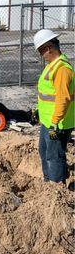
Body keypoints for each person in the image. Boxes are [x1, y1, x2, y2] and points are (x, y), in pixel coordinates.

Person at [33, 29, 74, 183]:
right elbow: (48, 94)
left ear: (48, 48)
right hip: (48, 120)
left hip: (58, 123)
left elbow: (63, 99)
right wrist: (39, 111)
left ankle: (56, 188)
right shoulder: (53, 65)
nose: (41, 55)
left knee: (54, 156)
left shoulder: (62, 69)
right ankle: (47, 183)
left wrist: (55, 123)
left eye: (40, 52)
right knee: (44, 152)